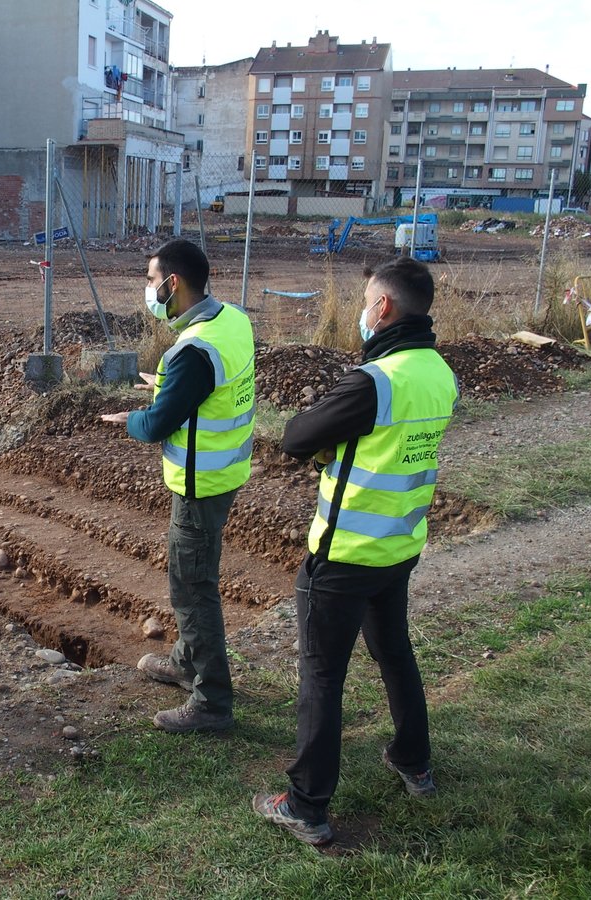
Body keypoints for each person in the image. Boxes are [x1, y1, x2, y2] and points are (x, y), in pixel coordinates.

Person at [253, 257, 458, 845]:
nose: (363, 311)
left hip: (343, 557)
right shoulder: (440, 373)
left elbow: (296, 437)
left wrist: (325, 440)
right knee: (394, 652)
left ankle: (306, 805)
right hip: (399, 546)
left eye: (367, 300)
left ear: (384, 308)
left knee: (321, 674)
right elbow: (389, 449)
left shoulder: (376, 380)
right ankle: (413, 761)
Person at [100, 239, 256, 733]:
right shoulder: (233, 320)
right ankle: (188, 663)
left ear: (173, 284)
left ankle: (212, 702)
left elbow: (155, 427)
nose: (148, 290)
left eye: (150, 281)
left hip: (199, 484)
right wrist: (168, 387)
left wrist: (131, 418)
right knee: (189, 578)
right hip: (224, 474)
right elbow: (210, 390)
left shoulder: (191, 350)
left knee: (193, 588)